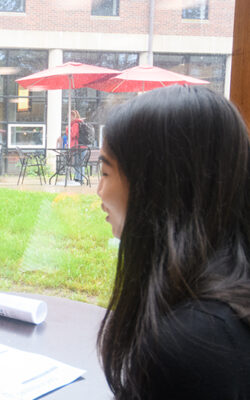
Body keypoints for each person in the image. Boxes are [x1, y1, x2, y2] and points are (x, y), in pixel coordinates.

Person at [96, 85, 250, 399]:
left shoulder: (188, 345)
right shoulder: (224, 303)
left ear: (155, 186)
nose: (99, 191)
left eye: (105, 172)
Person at [67, 110, 86, 183]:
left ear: (73, 116)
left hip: (77, 146)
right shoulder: (79, 123)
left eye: (69, 116)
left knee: (78, 163)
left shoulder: (75, 124)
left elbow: (73, 135)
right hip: (82, 146)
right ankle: (78, 178)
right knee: (79, 163)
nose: (68, 117)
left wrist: (68, 129)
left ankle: (79, 178)